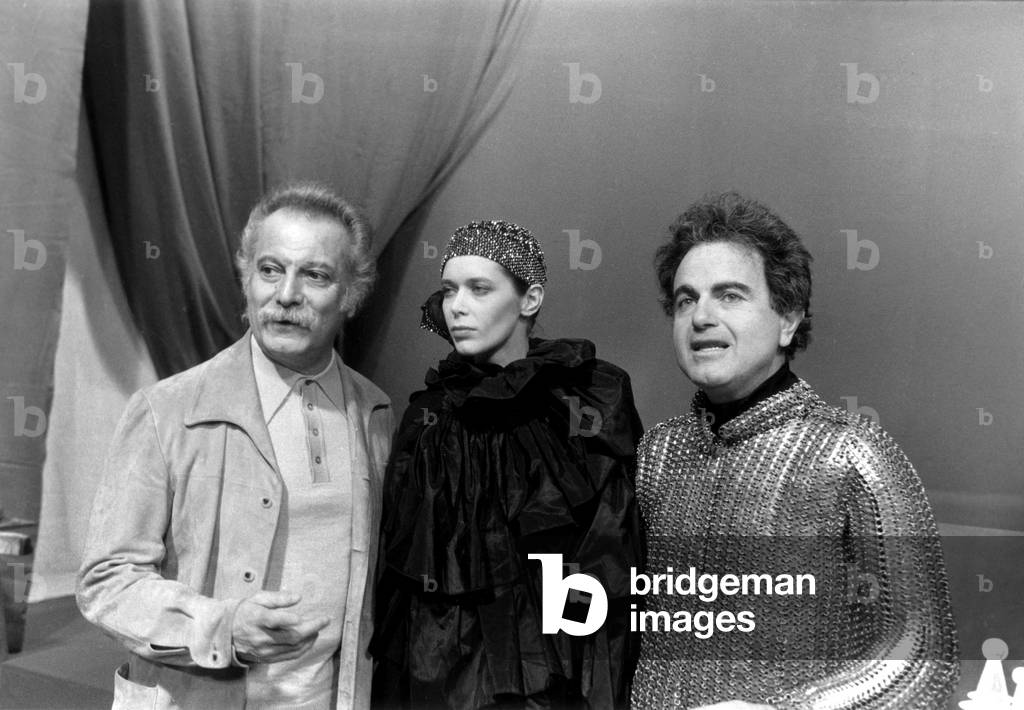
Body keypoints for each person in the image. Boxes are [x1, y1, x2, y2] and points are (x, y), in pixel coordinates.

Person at [630, 193, 958, 709]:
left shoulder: (852, 454)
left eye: (730, 296)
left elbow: (920, 656)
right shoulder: (656, 455)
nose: (701, 317)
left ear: (788, 319)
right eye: (686, 299)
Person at [77, 182, 393, 709]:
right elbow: (107, 580)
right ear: (247, 281)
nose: (286, 294)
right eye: (270, 269)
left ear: (352, 295)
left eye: (314, 274)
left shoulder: (376, 413)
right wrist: (222, 629)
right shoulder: (167, 410)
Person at [370, 220, 643, 709]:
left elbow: (609, 550)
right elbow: (407, 584)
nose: (457, 306)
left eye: (479, 289)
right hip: (447, 684)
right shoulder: (427, 417)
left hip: (557, 679)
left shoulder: (586, 401)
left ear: (530, 299)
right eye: (449, 290)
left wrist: (577, 667)